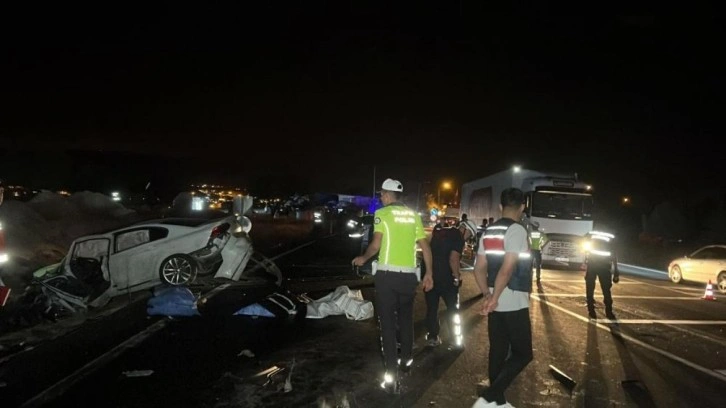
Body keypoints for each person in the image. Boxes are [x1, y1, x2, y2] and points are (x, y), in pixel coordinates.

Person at [352, 178, 434, 395]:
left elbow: (376, 244)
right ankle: (406, 360)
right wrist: (429, 274)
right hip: (409, 278)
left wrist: (363, 258)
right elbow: (426, 248)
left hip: (387, 277)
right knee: (406, 320)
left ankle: (391, 377)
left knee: (387, 326)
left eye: (382, 194)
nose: (381, 197)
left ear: (388, 195)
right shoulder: (413, 215)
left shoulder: (382, 214)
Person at [472, 188, 533, 408]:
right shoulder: (517, 230)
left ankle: (496, 402)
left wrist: (487, 294)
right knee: (523, 353)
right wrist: (495, 297)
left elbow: (479, 268)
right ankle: (489, 396)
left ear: (500, 207)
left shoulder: (489, 231)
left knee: (498, 349)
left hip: (494, 296)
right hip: (512, 297)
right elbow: (507, 269)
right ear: (522, 207)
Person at [424, 221, 465, 349]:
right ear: (466, 230)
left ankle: (433, 337)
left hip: (431, 275)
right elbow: (453, 259)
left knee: (432, 309)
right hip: (447, 279)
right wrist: (457, 277)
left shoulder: (437, 233)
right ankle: (455, 340)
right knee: (452, 309)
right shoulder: (458, 236)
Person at [583, 230, 619, 320]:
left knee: (590, 286)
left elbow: (585, 248)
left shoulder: (592, 234)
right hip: (604, 266)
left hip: (593, 265)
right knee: (606, 289)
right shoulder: (611, 236)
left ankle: (591, 309)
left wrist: (586, 262)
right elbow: (614, 254)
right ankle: (609, 311)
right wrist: (616, 270)